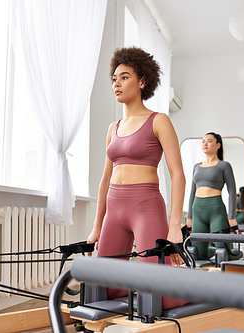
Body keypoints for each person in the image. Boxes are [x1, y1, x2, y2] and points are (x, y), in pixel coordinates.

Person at [86, 46, 187, 309]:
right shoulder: (113, 128)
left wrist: (174, 226)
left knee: (161, 295)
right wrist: (96, 226)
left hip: (145, 206)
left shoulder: (158, 121)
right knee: (103, 288)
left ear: (142, 81)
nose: (116, 83)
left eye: (124, 77)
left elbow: (178, 175)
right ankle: (132, 303)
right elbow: (104, 180)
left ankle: (203, 285)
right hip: (115, 209)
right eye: (114, 79)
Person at [186, 132, 243, 260]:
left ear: (218, 145)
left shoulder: (224, 166)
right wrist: (189, 217)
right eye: (203, 141)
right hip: (198, 211)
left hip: (216, 210)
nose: (205, 144)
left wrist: (231, 217)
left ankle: (243, 253)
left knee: (225, 253)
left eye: (209, 141)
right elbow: (192, 193)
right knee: (197, 254)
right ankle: (209, 252)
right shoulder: (196, 167)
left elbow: (232, 191)